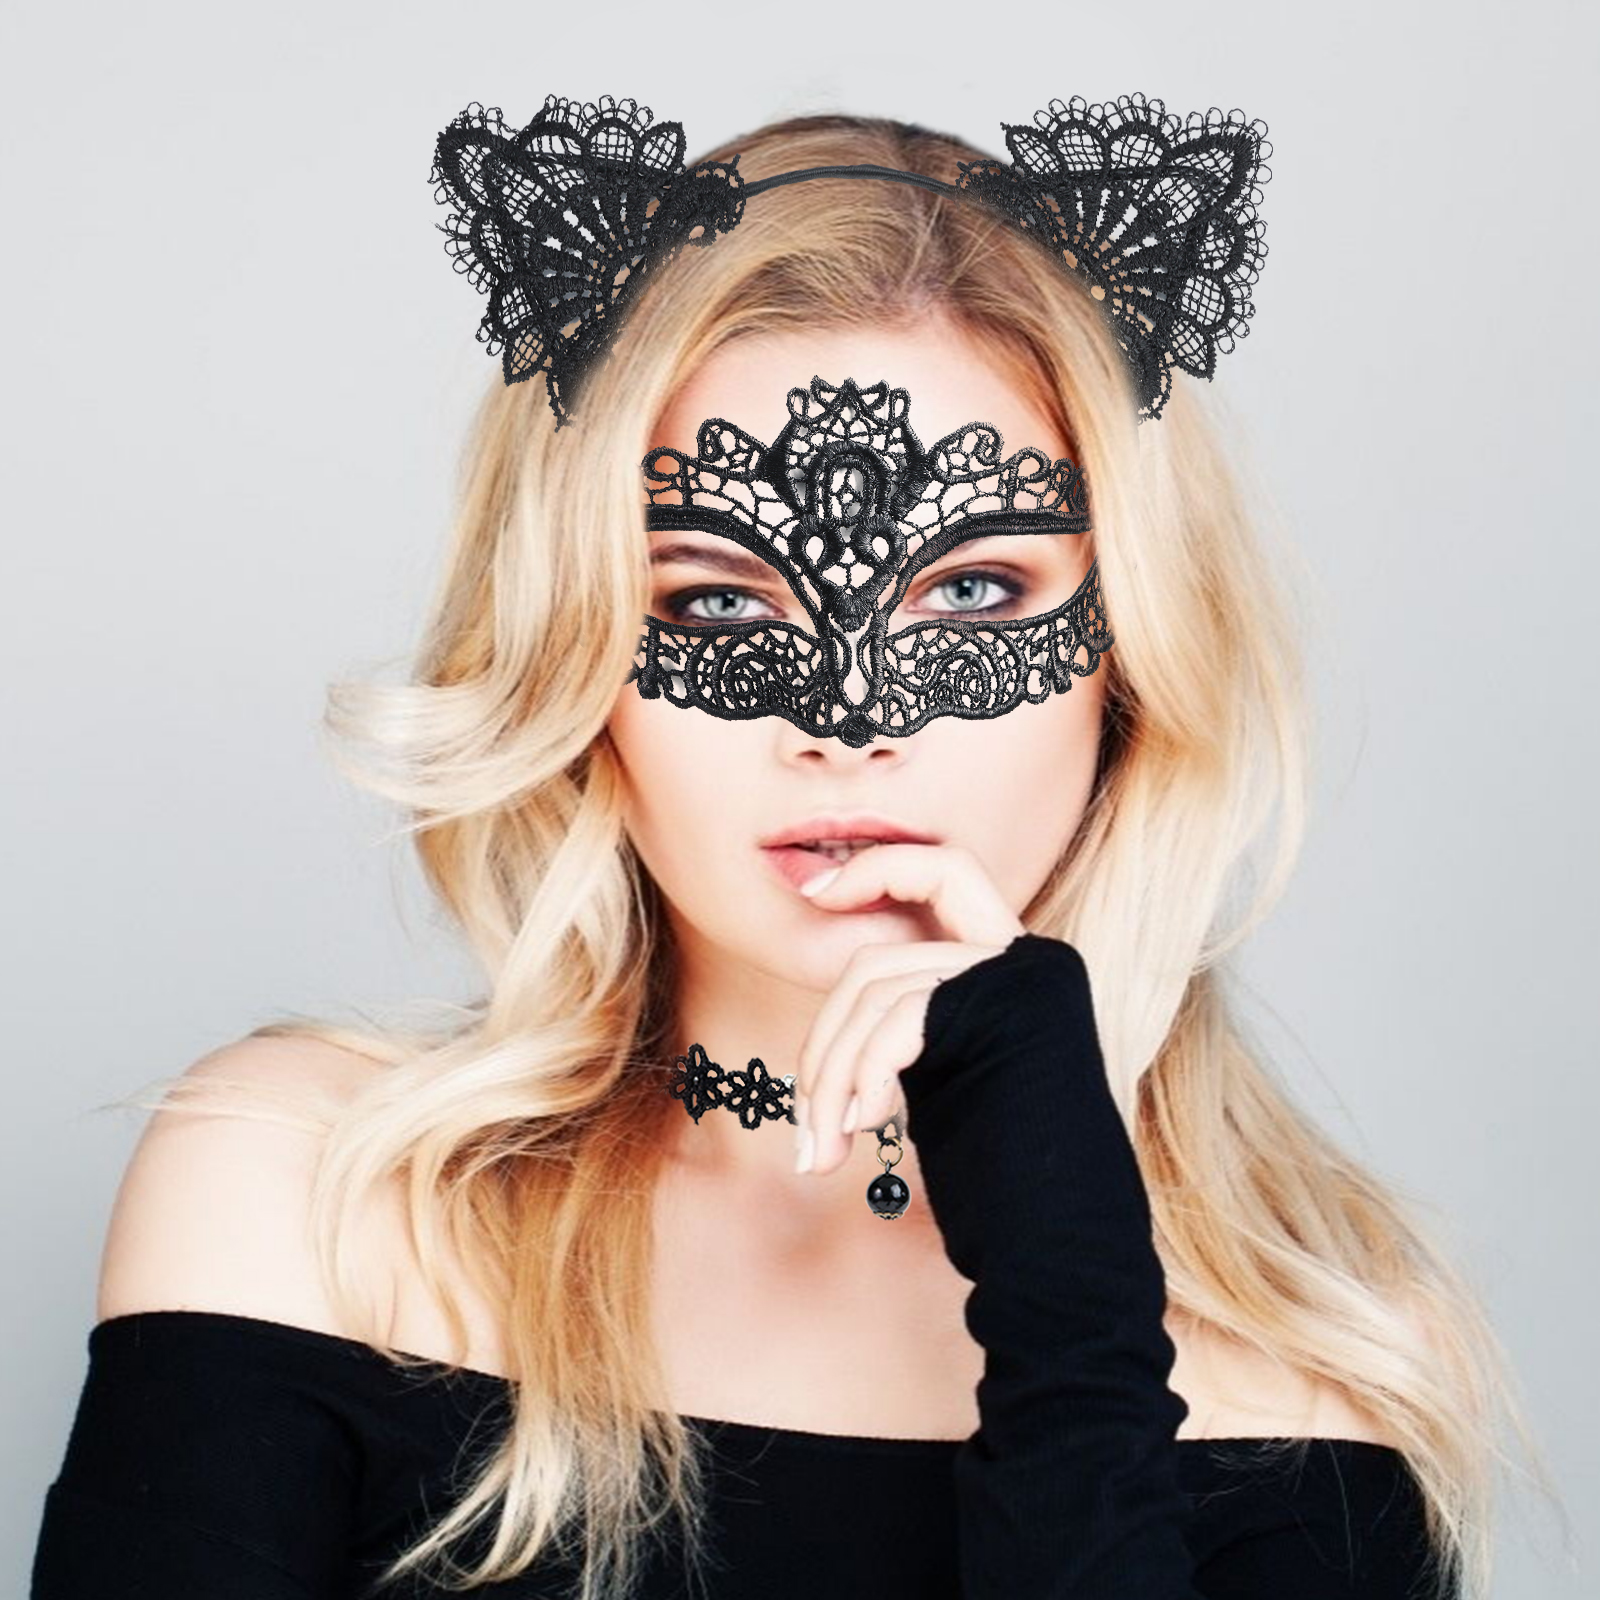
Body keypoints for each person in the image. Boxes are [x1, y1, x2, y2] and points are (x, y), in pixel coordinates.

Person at [31, 100, 1555, 1600]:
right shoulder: (307, 1206)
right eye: (716, 603)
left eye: (971, 595)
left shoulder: (1315, 1365)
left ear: (1131, 663)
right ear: (577, 664)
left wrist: (1075, 1307)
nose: (848, 717)